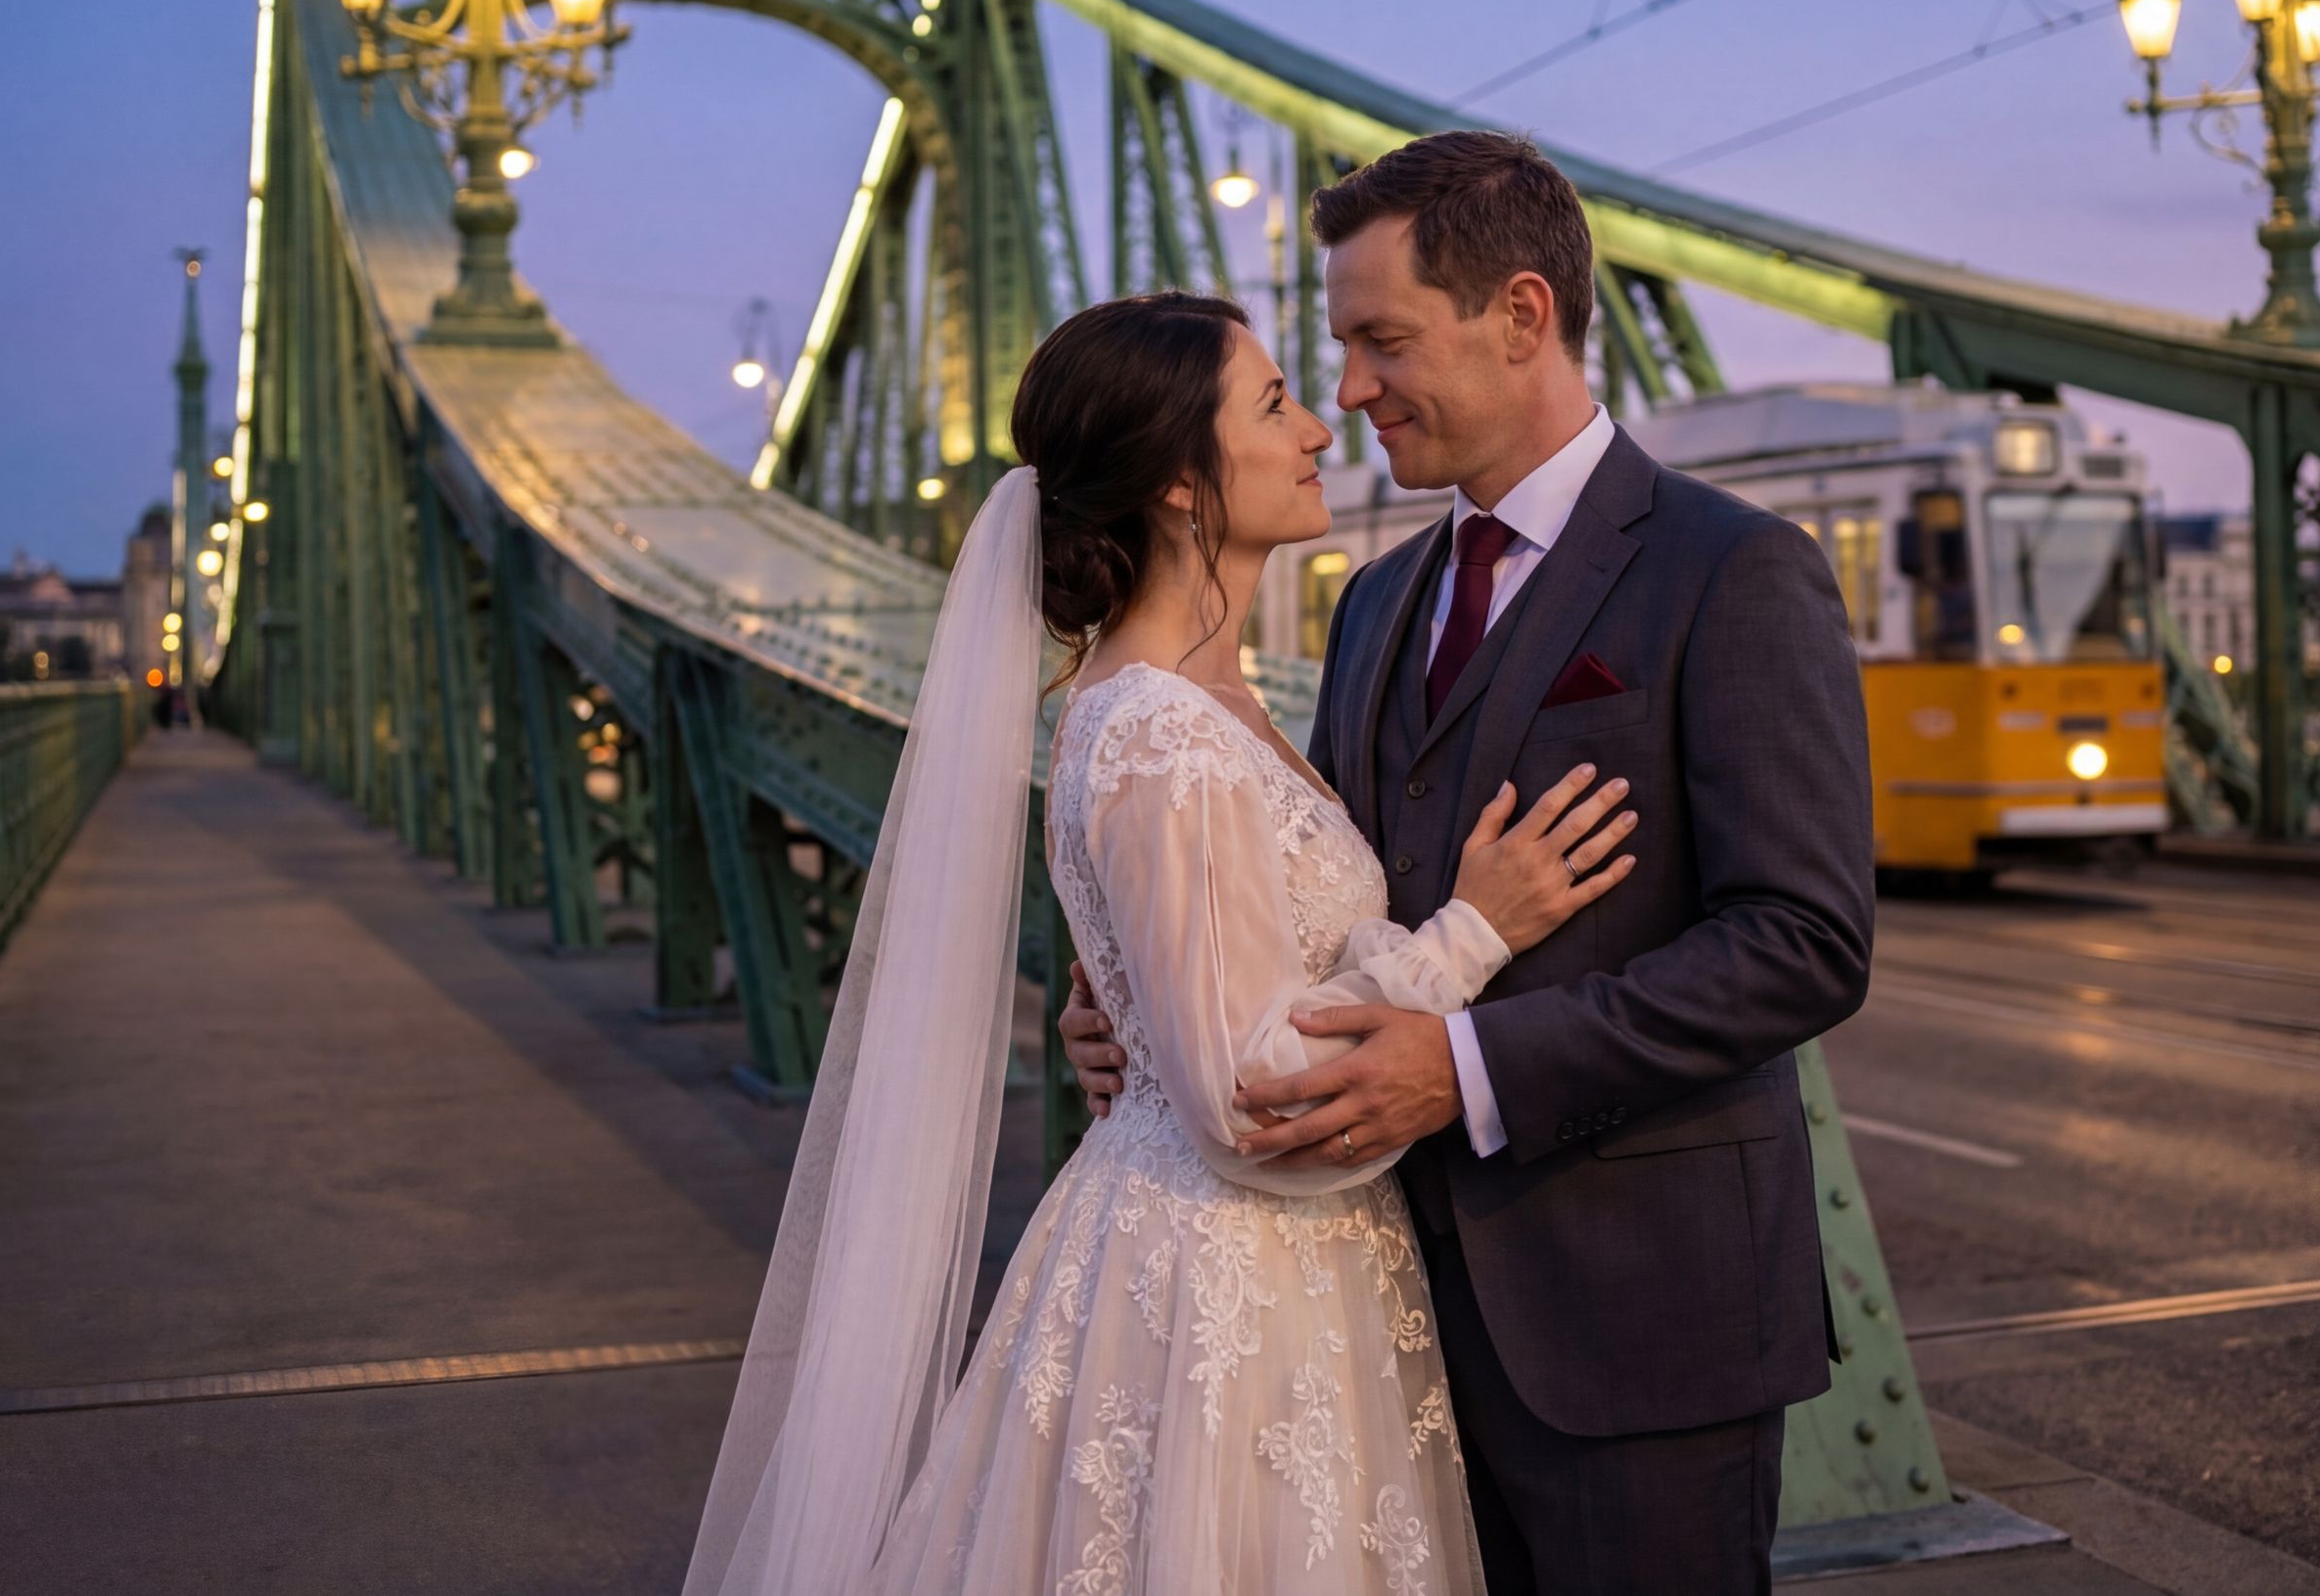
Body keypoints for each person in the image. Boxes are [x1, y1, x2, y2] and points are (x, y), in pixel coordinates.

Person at [685, 289, 1639, 1596]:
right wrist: (1474, 929)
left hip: (1284, 1263)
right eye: (1272, 404)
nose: (1320, 423)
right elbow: (1248, 1097)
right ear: (1185, 487)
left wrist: (1128, 1007)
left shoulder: (1205, 699)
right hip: (1222, 1284)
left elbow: (1213, 981)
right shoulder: (1159, 731)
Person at [1062, 132, 1877, 1594]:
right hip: (1378, 1323)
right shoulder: (1376, 602)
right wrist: (1146, 982)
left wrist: (1469, 1065)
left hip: (1636, 1325)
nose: (1353, 392)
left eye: (1381, 342)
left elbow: (1804, 939)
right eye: (1336, 355)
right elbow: (1334, 889)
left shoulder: (1733, 570)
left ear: (1521, 314)